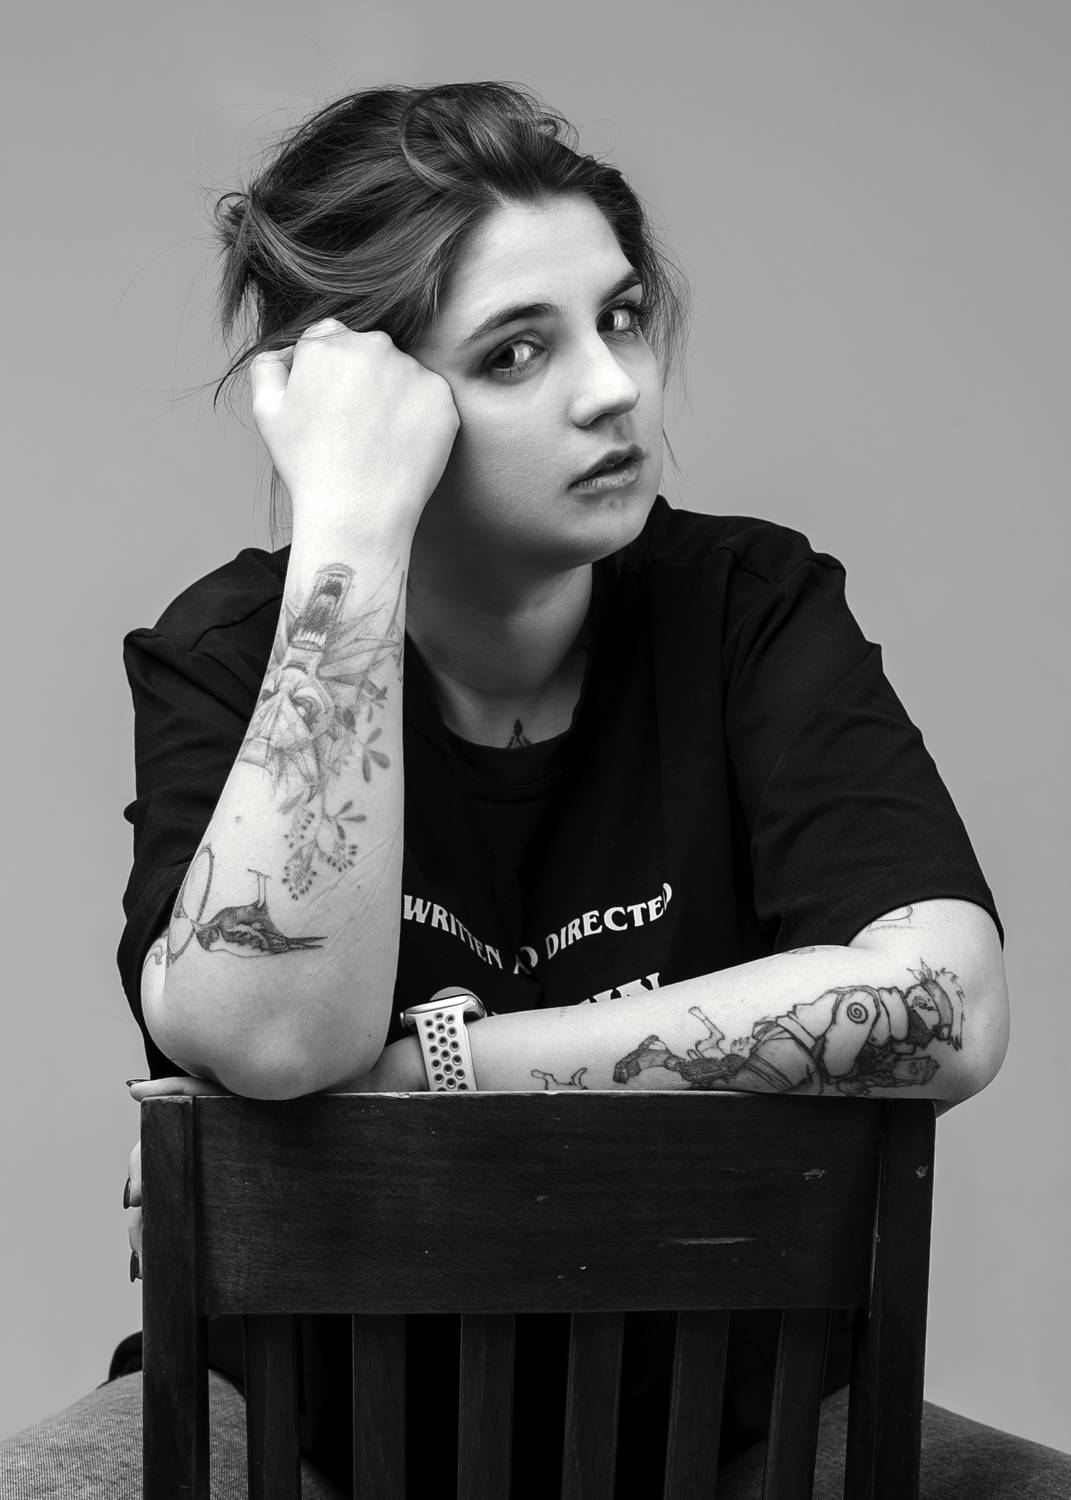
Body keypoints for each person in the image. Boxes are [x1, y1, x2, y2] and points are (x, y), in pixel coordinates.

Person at [3, 78, 1068, 1499]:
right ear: (378, 407)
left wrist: (428, 1070)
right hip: (298, 1440)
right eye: (516, 352)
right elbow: (269, 1035)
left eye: (620, 317)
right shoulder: (234, 653)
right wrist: (349, 530)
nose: (614, 387)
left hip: (744, 1443)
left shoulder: (747, 610)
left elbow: (948, 1005)